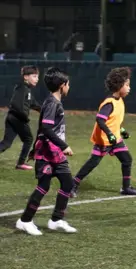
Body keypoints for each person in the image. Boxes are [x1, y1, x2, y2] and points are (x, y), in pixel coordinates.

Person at [16, 67, 77, 235]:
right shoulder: (51, 103)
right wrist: (64, 146)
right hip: (47, 152)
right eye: (68, 84)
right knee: (43, 186)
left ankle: (56, 220)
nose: (69, 87)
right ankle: (25, 221)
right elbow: (47, 129)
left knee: (68, 183)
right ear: (62, 85)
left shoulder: (55, 102)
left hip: (55, 152)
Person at [71, 67, 136, 197]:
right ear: (119, 85)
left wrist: (122, 131)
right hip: (104, 140)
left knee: (127, 159)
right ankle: (73, 184)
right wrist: (109, 134)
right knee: (93, 162)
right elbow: (100, 119)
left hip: (115, 139)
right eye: (127, 85)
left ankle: (126, 188)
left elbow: (114, 122)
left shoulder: (119, 101)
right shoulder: (109, 103)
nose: (129, 88)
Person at [0, 66, 41, 170]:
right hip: (18, 118)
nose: (37, 79)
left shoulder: (26, 89)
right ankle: (20, 163)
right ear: (26, 77)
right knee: (28, 139)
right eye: (34, 76)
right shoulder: (22, 88)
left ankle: (20, 163)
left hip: (12, 117)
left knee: (6, 143)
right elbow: (16, 104)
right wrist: (24, 117)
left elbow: (33, 103)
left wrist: (43, 110)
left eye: (37, 76)